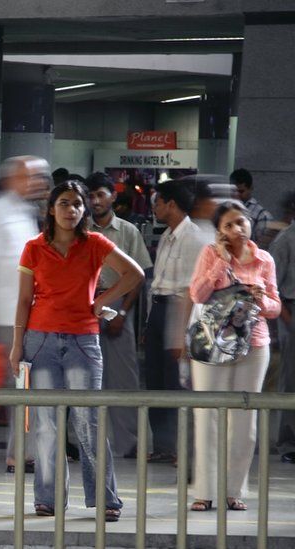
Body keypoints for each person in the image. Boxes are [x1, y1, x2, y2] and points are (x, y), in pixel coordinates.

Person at [9, 181, 143, 521]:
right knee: (45, 425)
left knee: (89, 422)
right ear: (52, 209)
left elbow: (135, 273)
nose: (71, 210)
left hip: (83, 341)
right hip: (39, 342)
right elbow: (24, 299)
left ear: (84, 210)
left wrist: (100, 301)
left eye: (77, 204)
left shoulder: (95, 243)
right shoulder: (34, 248)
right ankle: (48, 499)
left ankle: (106, 499)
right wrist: (16, 346)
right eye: (64, 203)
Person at [188, 200, 280, 511]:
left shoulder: (264, 259)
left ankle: (233, 489)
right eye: (228, 225)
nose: (236, 229)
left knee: (244, 419)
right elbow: (198, 295)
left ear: (250, 223)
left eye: (240, 222)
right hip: (213, 342)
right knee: (208, 415)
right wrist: (221, 261)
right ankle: (204, 491)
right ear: (219, 231)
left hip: (254, 344)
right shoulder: (210, 254)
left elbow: (275, 306)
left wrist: (261, 300)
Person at [0, 156, 48, 473]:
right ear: (10, 179)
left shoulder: (26, 212)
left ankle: (21, 453)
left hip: (24, 313)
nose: (34, 183)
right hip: (1, 314)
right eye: (27, 177)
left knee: (21, 386)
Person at [86, 172, 153, 458]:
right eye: (91, 196)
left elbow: (137, 277)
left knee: (123, 378)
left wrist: (124, 312)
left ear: (113, 196)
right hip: (84, 310)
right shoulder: (78, 229)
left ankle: (131, 442)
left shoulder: (127, 231)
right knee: (86, 379)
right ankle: (84, 444)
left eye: (101, 194)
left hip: (117, 307)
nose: (96, 201)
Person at [143, 180, 207, 464]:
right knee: (155, 380)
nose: (154, 207)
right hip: (158, 310)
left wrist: (182, 332)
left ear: (171, 204)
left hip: (178, 312)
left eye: (157, 202)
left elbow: (192, 290)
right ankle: (163, 445)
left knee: (176, 382)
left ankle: (183, 448)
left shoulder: (195, 237)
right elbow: (156, 284)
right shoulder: (167, 235)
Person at [270, 192, 295, 464]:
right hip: (291, 309)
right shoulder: (286, 239)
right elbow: (272, 285)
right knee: (292, 379)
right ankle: (289, 442)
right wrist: (287, 319)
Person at [231, 169, 273, 248]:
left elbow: (261, 248)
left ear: (251, 188)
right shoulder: (223, 209)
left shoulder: (262, 215)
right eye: (233, 191)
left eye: (241, 191)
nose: (236, 195)